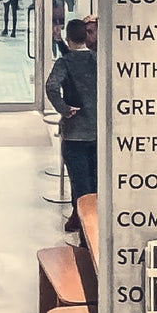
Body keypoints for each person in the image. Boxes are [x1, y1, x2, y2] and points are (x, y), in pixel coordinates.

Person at [44, 18, 98, 233]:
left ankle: (83, 224)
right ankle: (94, 227)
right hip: (98, 131)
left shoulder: (65, 63)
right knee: (96, 181)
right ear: (87, 37)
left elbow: (51, 87)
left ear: (68, 38)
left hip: (75, 132)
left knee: (79, 182)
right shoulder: (98, 59)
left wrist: (64, 109)